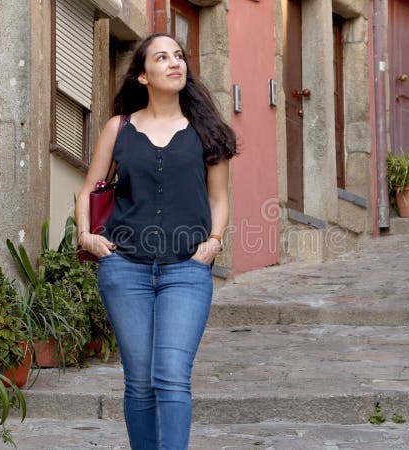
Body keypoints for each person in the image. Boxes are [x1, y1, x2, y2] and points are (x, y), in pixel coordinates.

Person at [75, 33, 237, 449]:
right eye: (162, 57)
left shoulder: (207, 131)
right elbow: (90, 188)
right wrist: (86, 236)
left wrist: (214, 240)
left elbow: (219, 196)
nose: (174, 63)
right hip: (123, 267)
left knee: (170, 375)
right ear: (143, 75)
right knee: (141, 381)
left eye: (179, 56)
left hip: (187, 268)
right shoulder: (119, 128)